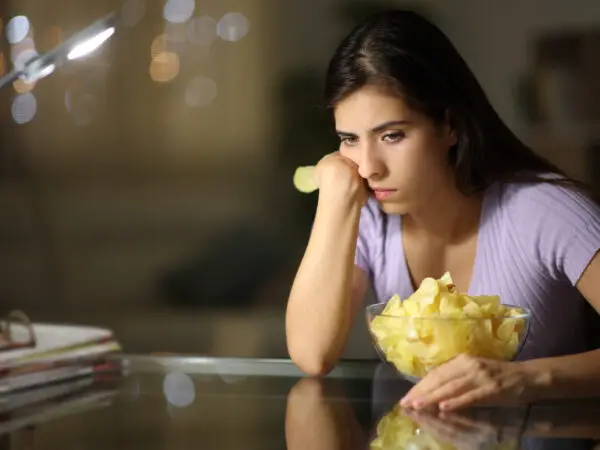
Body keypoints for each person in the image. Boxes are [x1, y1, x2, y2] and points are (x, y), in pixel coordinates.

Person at [285, 9, 600, 410]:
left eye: (392, 135)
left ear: (449, 125)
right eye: (349, 139)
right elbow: (312, 355)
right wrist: (333, 202)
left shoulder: (545, 211)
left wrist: (527, 377)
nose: (368, 167)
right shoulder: (365, 215)